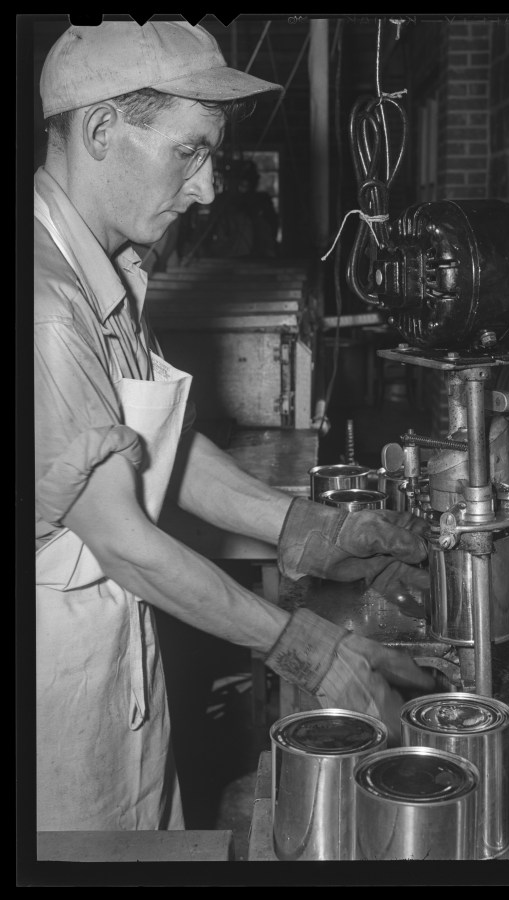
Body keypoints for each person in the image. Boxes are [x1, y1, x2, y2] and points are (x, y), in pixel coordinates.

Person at [34, 20, 434, 832]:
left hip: (116, 670)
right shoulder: (46, 308)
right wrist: (308, 648)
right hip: (53, 700)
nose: (211, 188)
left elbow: (156, 449)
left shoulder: (103, 272)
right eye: (191, 151)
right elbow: (126, 540)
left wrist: (307, 526)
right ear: (103, 130)